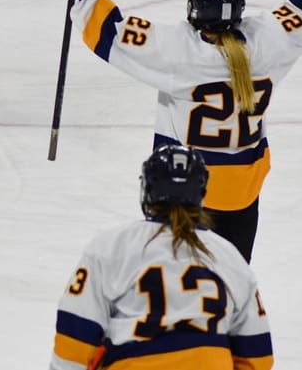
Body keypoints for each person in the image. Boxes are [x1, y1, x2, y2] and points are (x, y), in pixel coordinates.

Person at [58, 0, 302, 262]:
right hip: (245, 195)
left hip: (185, 193)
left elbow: (110, 33)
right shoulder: (270, 42)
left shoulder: (178, 52)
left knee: (182, 288)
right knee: (230, 286)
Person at [50, 144, 273, 370]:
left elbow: (74, 339)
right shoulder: (228, 256)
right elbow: (258, 355)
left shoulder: (111, 247)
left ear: (147, 188)